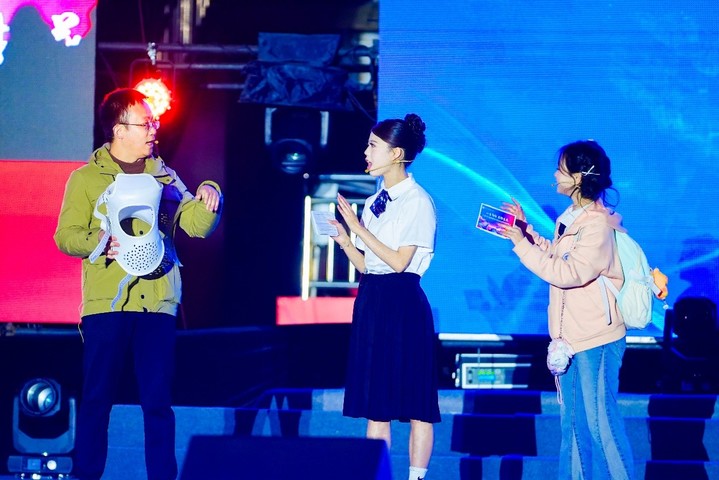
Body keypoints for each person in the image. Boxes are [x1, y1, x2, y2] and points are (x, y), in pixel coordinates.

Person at [54, 88, 222, 480]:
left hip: (157, 303)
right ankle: (86, 474)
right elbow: (65, 236)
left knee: (158, 403)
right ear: (119, 129)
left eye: (153, 122)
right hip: (107, 304)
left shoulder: (165, 176)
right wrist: (98, 240)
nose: (153, 130)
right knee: (97, 399)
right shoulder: (86, 179)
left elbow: (196, 226)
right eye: (145, 123)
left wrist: (211, 192)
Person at [499, 140, 634, 479]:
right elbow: (557, 256)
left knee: (601, 425)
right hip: (571, 339)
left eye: (561, 170)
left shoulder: (598, 224)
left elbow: (570, 273)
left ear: (579, 177)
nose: (555, 176)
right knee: (573, 428)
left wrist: (521, 246)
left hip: (596, 338)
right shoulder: (572, 218)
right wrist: (524, 232)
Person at [330, 114, 440, 480]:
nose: (366, 152)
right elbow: (369, 265)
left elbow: (399, 261)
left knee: (417, 403)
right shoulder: (374, 200)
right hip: (373, 299)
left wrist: (358, 228)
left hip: (403, 302)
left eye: (373, 145)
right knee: (376, 404)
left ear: (396, 154)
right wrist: (346, 240)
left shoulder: (418, 201)